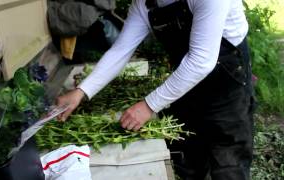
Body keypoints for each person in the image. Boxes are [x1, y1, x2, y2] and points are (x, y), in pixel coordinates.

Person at [57, 0, 255, 179]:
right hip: (184, 79)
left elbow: (201, 61)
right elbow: (121, 50)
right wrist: (81, 91)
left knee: (229, 159)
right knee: (188, 150)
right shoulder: (145, 3)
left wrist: (149, 105)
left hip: (226, 78)